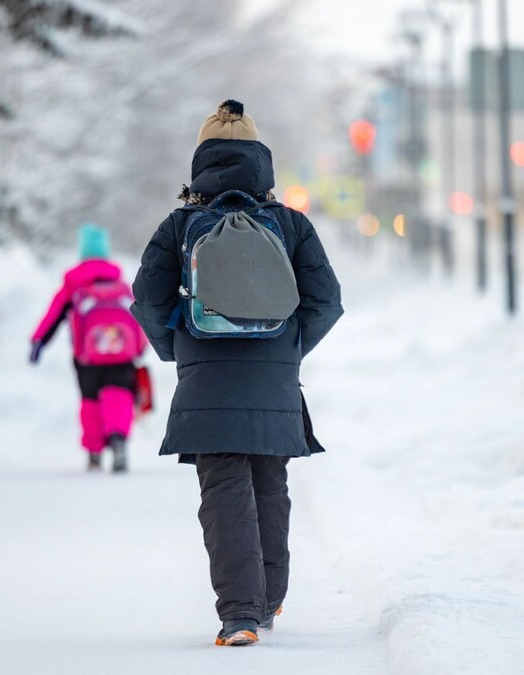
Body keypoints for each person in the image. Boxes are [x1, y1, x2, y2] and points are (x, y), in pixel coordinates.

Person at [130, 100, 343, 646]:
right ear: (260, 161)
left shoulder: (179, 225)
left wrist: (179, 352)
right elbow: (326, 301)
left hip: (207, 379)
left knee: (223, 489)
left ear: (201, 161)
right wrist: (288, 349)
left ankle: (241, 615)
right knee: (270, 483)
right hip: (274, 378)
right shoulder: (291, 224)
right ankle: (268, 599)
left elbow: (148, 302)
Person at [31, 224, 148, 473]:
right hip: (122, 356)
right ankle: (118, 441)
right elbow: (138, 315)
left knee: (90, 399)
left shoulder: (74, 284)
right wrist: (141, 346)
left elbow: (54, 315)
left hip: (87, 358)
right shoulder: (121, 284)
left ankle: (94, 451)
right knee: (119, 394)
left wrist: (38, 341)